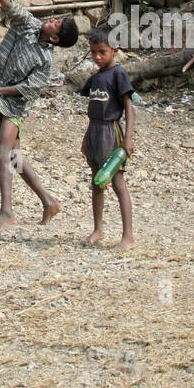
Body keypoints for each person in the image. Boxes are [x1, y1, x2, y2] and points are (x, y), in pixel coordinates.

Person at [0, 0, 78, 232]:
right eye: (54, 18)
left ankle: (7, 212)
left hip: (15, 107)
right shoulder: (29, 25)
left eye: (56, 24)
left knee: (2, 154)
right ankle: (48, 200)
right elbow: (12, 8)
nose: (51, 20)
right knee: (14, 157)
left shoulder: (45, 60)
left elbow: (29, 88)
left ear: (55, 39)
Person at [79, 26, 135, 251]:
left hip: (111, 133)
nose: (97, 57)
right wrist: (86, 138)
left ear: (115, 49)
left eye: (102, 52)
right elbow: (92, 109)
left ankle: (128, 236)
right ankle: (97, 229)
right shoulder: (97, 77)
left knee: (118, 182)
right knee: (96, 181)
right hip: (94, 132)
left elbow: (129, 108)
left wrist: (128, 139)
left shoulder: (118, 74)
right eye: (93, 52)